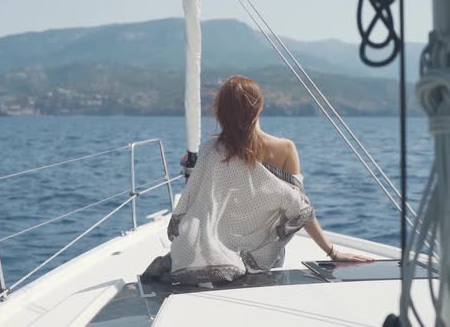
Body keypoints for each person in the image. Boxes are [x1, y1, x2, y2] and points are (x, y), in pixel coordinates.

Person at [144, 75, 372, 285]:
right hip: (264, 257)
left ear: (221, 112)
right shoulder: (284, 149)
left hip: (216, 254)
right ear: (259, 107)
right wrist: (332, 252)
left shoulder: (210, 151)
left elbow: (196, 203)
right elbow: (300, 209)